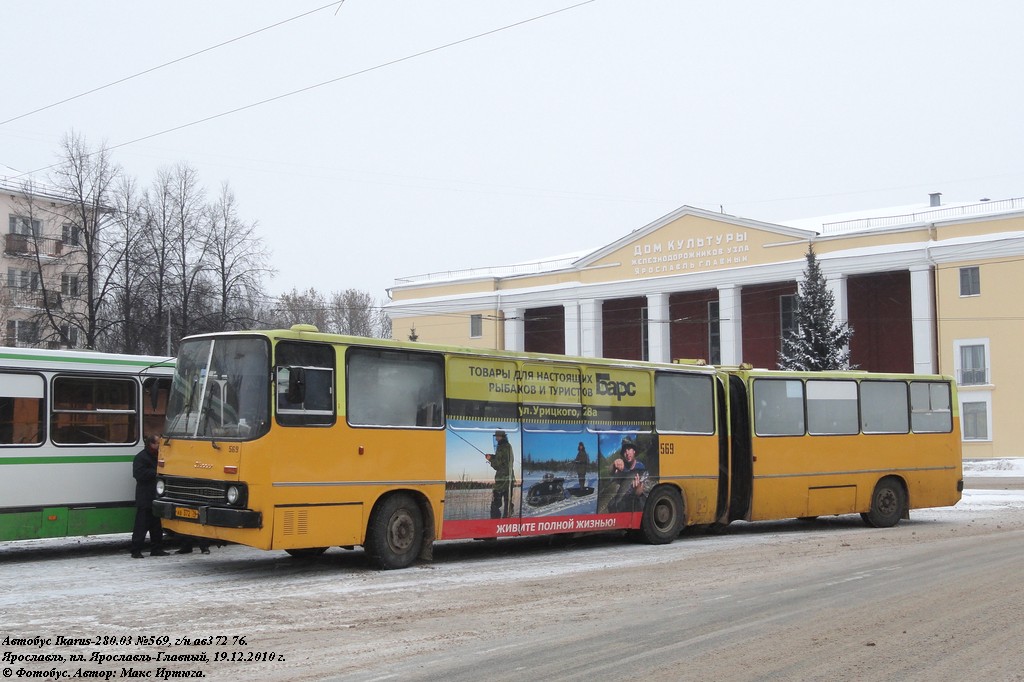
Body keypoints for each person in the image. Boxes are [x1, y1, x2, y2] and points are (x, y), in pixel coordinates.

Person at [130, 435, 167, 558]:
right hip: (145, 496)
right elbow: (138, 474)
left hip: (156, 496)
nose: (159, 445)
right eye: (157, 443)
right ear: (151, 444)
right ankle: (136, 550)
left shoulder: (158, 455)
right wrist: (156, 472)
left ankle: (157, 548)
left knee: (156, 525)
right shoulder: (141, 457)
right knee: (141, 525)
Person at [607, 438, 650, 513]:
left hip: (634, 498)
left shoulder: (641, 467)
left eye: (629, 449)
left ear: (634, 451)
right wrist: (614, 465)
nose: (627, 453)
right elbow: (610, 472)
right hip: (622, 499)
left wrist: (637, 489)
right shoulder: (621, 465)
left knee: (642, 501)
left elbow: (640, 492)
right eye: (624, 451)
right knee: (611, 505)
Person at [485, 429, 515, 518]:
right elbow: (504, 460)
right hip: (510, 479)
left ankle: (495, 522)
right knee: (507, 501)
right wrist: (492, 456)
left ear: (501, 436)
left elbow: (498, 465)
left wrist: (490, 459)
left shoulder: (501, 447)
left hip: (502, 480)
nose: (496, 438)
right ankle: (507, 519)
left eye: (497, 436)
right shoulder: (508, 446)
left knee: (495, 503)